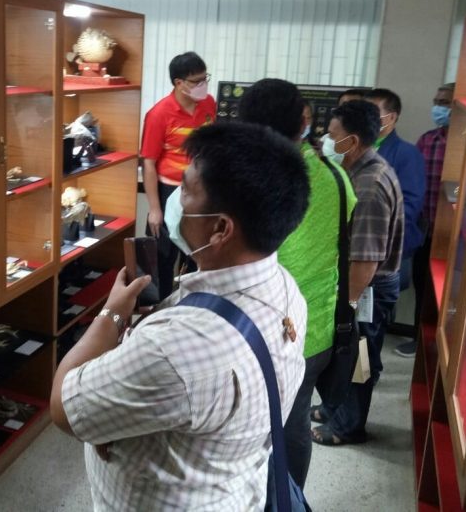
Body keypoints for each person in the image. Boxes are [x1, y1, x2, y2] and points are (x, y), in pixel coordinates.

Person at [51, 121, 310, 510]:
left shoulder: (175, 350)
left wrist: (112, 315)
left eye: (185, 190)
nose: (175, 199)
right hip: (232, 487)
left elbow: (63, 407)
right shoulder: (286, 288)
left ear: (220, 228)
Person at [239, 78, 356, 489]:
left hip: (256, 328)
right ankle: (291, 499)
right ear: (304, 122)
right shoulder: (336, 176)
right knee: (295, 421)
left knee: (246, 426)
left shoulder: (250, 179)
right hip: (317, 325)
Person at [311, 100, 404, 446]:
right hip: (361, 285)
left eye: (332, 135)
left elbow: (366, 259)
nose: (326, 141)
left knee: (358, 357)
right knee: (346, 356)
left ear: (351, 141)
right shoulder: (360, 170)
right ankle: (334, 409)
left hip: (367, 289)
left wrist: (347, 306)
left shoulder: (369, 185)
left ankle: (348, 426)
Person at [140, 51, 216, 299]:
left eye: (205, 79)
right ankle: (160, 306)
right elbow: (149, 164)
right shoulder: (159, 114)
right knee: (163, 255)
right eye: (197, 81)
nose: (203, 85)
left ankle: (191, 302)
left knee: (198, 252)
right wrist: (154, 208)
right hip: (170, 190)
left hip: (201, 190)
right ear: (179, 83)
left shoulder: (209, 104)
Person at [395, 83, 455, 357]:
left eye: (445, 102)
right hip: (423, 228)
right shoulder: (427, 140)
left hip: (452, 234)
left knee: (448, 290)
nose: (438, 107)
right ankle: (418, 339)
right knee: (422, 285)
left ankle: (444, 344)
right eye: (437, 101)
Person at [363, 88, 425, 291]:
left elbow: (409, 206)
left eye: (373, 112)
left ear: (391, 117)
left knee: (380, 303)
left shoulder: (407, 153)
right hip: (359, 245)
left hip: (389, 248)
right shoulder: (357, 147)